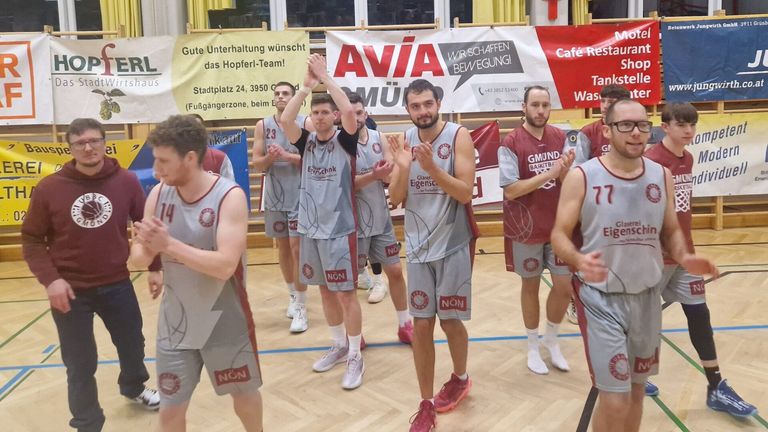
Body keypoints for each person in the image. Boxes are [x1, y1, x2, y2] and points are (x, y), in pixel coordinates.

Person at [551, 99, 719, 432]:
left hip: (647, 298)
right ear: (607, 130)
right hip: (601, 300)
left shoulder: (661, 175)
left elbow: (671, 228)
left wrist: (684, 256)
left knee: (637, 393)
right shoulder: (583, 176)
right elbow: (558, 234)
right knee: (615, 399)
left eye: (642, 125)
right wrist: (577, 258)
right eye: (625, 125)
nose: (636, 133)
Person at [21, 118, 160, 432]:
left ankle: (134, 387)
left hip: (117, 283)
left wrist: (155, 268)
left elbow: (146, 227)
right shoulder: (50, 188)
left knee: (132, 345)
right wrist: (50, 280)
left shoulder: (125, 181)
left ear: (104, 143)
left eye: (94, 141)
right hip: (70, 289)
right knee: (80, 362)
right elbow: (30, 240)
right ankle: (87, 422)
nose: (88, 147)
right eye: (79, 143)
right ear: (70, 148)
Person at [130, 115, 262, 431]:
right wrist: (145, 249)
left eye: (163, 161)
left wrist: (168, 245)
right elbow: (137, 258)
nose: (157, 169)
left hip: (225, 320)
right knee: (170, 411)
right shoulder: (158, 195)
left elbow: (225, 265)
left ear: (190, 158)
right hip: (175, 324)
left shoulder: (229, 196)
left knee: (243, 400)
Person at [643, 102, 757, 416]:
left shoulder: (688, 158)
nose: (689, 131)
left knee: (700, 314)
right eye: (682, 124)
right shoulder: (651, 163)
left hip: (685, 254)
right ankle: (635, 376)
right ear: (665, 126)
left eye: (692, 124)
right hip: (656, 257)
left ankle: (716, 386)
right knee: (645, 321)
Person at [387, 79, 479, 432]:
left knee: (451, 321)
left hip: (453, 243)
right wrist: (405, 168)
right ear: (408, 110)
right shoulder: (405, 141)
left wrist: (432, 168)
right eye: (415, 106)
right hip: (419, 247)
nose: (422, 111)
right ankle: (425, 403)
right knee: (422, 325)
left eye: (427, 103)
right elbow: (395, 198)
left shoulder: (458, 136)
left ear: (438, 102)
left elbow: (465, 193)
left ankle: (460, 377)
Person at [282, 54, 365, 390]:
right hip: (311, 230)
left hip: (340, 229)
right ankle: (339, 345)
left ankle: (357, 354)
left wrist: (326, 78)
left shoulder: (345, 140)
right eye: (314, 113)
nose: (319, 118)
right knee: (324, 291)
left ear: (333, 116)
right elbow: (288, 120)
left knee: (345, 294)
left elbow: (348, 111)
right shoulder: (306, 142)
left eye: (324, 112)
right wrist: (305, 88)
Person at [498, 85, 574, 375]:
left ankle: (552, 340)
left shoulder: (561, 137)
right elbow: (511, 191)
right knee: (529, 285)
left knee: (564, 286)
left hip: (558, 227)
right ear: (524, 107)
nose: (540, 110)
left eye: (545, 105)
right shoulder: (511, 142)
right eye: (535, 105)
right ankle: (532, 346)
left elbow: (568, 183)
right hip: (525, 228)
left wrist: (565, 173)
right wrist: (551, 173)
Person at [348, 91, 413, 343]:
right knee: (350, 282)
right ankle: (353, 333)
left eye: (359, 112)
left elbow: (388, 177)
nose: (356, 117)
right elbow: (345, 184)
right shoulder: (339, 142)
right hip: (351, 223)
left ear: (366, 113)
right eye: (350, 113)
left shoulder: (378, 137)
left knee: (395, 271)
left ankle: (405, 324)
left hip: (380, 218)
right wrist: (374, 176)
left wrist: (396, 167)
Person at [253, 82, 314, 333]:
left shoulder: (306, 122)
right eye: (277, 93)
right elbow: (257, 163)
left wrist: (287, 156)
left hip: (300, 192)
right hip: (275, 194)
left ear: (294, 98)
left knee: (297, 247)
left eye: (285, 93)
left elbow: (314, 159)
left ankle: (301, 305)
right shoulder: (262, 125)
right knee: (283, 247)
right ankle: (292, 294)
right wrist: (270, 157)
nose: (280, 97)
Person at [571, 84, 632, 166]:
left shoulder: (633, 130)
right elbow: (580, 166)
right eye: (602, 101)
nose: (605, 106)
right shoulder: (588, 132)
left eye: (611, 102)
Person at [189, 113, 236, 181]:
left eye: (199, 128)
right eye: (191, 129)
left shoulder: (221, 158)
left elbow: (230, 188)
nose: (195, 132)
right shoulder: (178, 160)